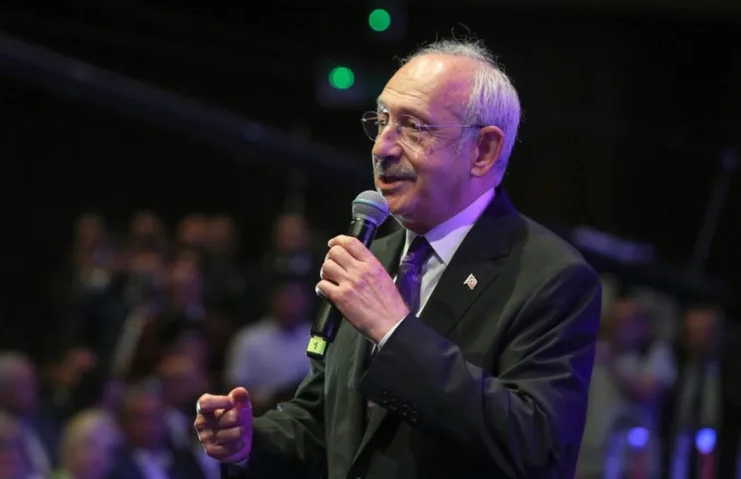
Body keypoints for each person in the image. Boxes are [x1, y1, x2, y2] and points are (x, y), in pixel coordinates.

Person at [195, 38, 602, 479]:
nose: (382, 148)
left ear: (482, 150)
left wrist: (393, 331)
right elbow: (327, 423)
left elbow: (535, 447)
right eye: (382, 120)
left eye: (413, 127)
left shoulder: (552, 277)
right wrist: (249, 442)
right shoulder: (375, 254)